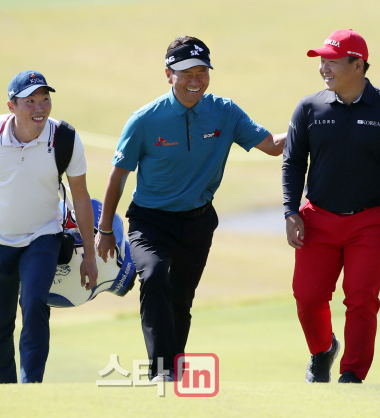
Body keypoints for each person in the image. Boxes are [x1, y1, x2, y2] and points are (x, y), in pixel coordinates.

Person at [96, 36, 286, 381]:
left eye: (202, 71)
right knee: (154, 278)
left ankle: (173, 374)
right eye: (186, 72)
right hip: (150, 221)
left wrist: (313, 122)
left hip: (197, 222)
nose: (195, 79)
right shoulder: (144, 119)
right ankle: (161, 371)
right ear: (168, 74)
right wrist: (105, 230)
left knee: (181, 299)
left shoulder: (224, 112)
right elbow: (118, 176)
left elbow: (272, 146)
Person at [282, 29, 380, 384]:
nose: (323, 67)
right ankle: (323, 349)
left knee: (361, 299)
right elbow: (293, 163)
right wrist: (290, 211)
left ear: (358, 64)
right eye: (321, 60)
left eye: (331, 60)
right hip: (317, 218)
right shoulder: (309, 108)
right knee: (307, 296)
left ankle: (352, 376)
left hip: (370, 221)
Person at [0, 70, 97, 384]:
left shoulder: (64, 138)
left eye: (45, 99)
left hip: (43, 235)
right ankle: (3, 393)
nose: (39, 107)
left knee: (34, 306)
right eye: (30, 101)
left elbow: (81, 198)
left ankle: (31, 390)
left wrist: (90, 255)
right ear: (11, 106)